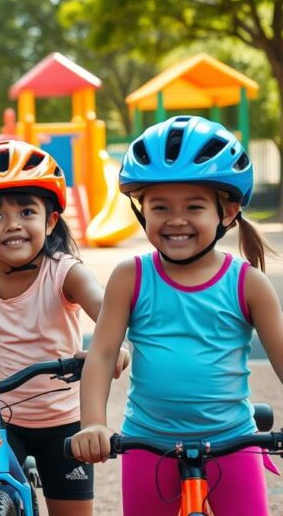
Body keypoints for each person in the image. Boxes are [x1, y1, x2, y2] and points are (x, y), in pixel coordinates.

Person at [70, 116, 283, 516]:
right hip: (148, 442)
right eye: (160, 206)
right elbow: (100, 355)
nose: (176, 219)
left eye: (195, 206)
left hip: (232, 441)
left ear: (228, 211)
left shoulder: (248, 284)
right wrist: (93, 424)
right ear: (141, 212)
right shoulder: (130, 277)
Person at [0, 140, 130, 516]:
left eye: (26, 211)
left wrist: (110, 348)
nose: (13, 223)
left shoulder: (66, 272)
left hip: (65, 423)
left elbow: (108, 314)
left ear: (50, 221)